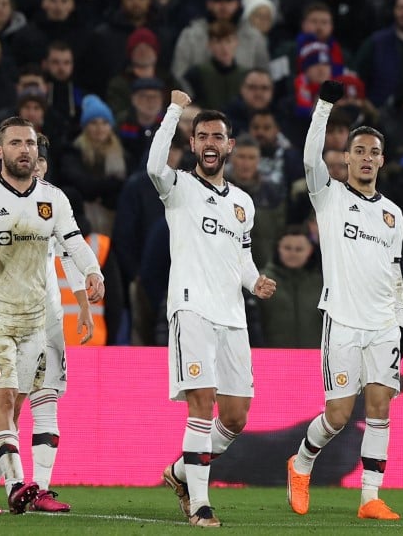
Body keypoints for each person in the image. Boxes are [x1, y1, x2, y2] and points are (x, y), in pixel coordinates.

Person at [0, 116, 105, 513]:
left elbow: (74, 242)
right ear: (0, 151)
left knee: (7, 409)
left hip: (34, 318)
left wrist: (94, 270)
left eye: (29, 143)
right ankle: (15, 486)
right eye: (15, 143)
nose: (24, 150)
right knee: (2, 399)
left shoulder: (53, 199)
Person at [146, 90, 276, 527]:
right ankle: (200, 504)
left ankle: (181, 472)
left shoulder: (243, 203)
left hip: (232, 316)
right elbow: (152, 166)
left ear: (229, 145)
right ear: (193, 142)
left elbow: (241, 257)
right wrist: (174, 112)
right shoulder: (178, 187)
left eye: (217, 137)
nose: (209, 143)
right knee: (201, 404)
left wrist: (254, 280)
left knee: (236, 416)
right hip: (191, 310)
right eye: (201, 136)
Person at [287, 79, 403, 521]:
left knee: (379, 409)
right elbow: (308, 157)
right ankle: (300, 464)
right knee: (337, 415)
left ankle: (370, 497)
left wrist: (402, 322)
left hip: (383, 325)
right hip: (342, 318)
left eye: (374, 152)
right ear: (347, 157)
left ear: (382, 160)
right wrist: (323, 107)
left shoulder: (394, 214)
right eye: (360, 151)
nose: (367, 158)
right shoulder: (329, 195)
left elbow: (395, 274)